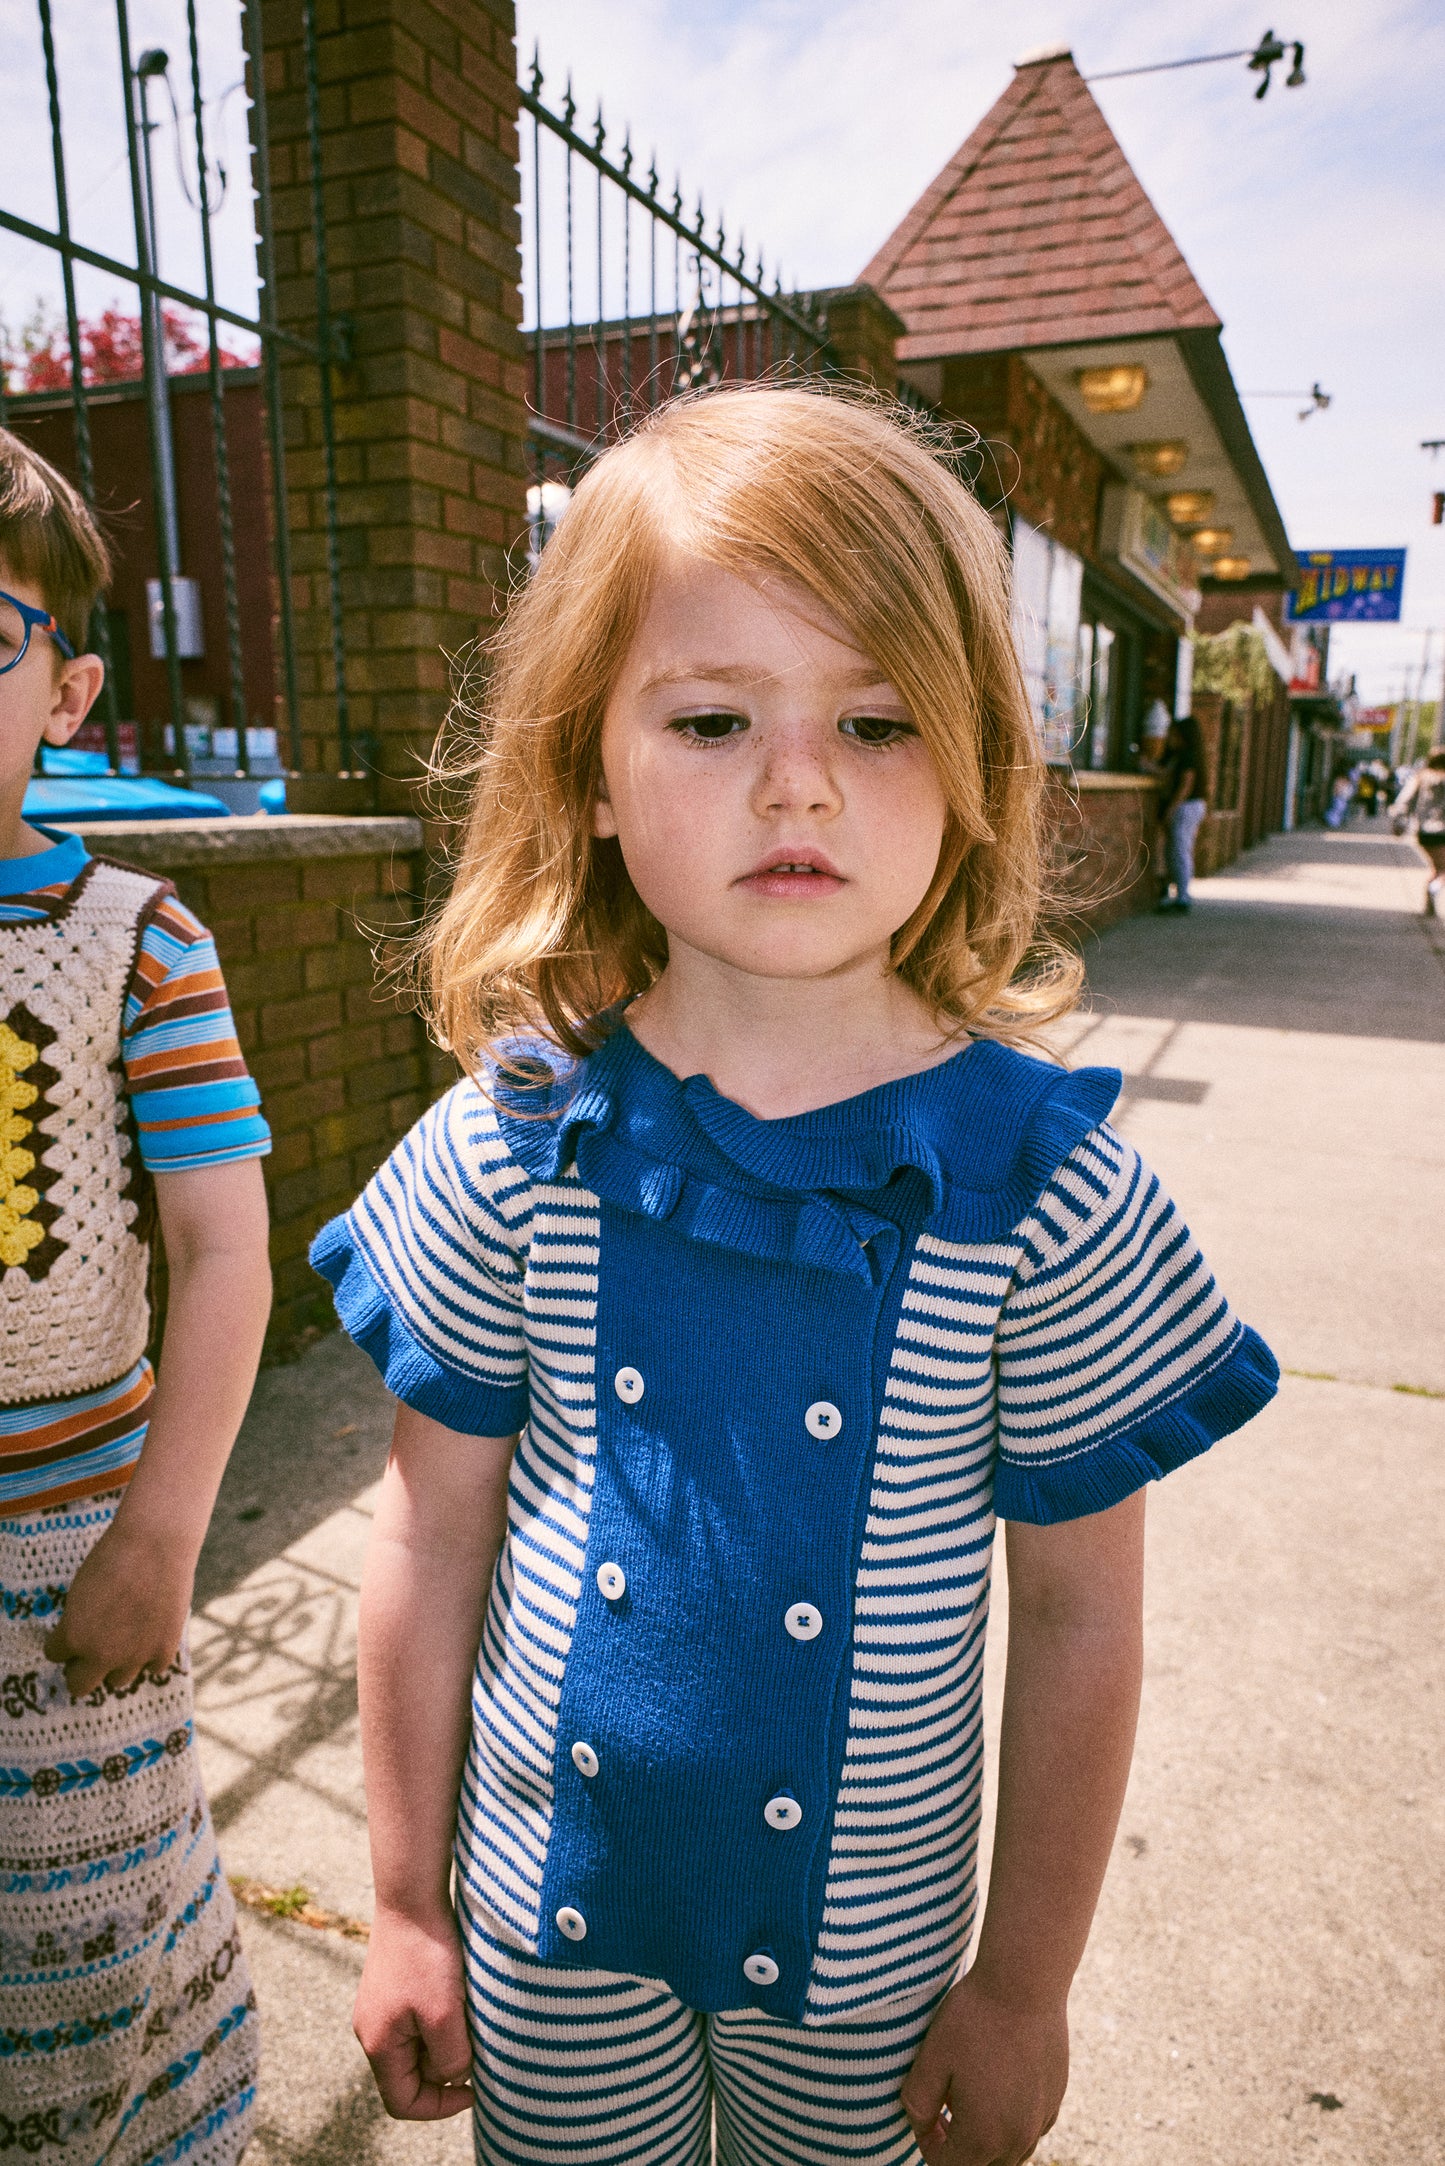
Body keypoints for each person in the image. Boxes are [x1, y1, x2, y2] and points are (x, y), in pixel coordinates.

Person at [313, 388, 1278, 2166]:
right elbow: (430, 1536)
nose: (799, 779)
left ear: (972, 766)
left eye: (876, 719)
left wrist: (1026, 1984)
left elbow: (1080, 1618)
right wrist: (400, 1898)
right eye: (710, 717)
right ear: (588, 774)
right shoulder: (512, 1142)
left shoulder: (1043, 1192)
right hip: (540, 1933)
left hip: (873, 1981)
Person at [0, 430, 271, 2161]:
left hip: (67, 1549)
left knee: (85, 1958)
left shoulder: (134, 944)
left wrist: (160, 1534)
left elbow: (221, 1248)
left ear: (69, 689)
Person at [1154, 713, 1209, 912]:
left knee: (1179, 849)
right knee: (1176, 849)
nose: (1170, 738)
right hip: (1190, 805)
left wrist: (1172, 808)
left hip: (1187, 806)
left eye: (1174, 734)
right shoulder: (1179, 755)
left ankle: (1183, 896)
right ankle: (1179, 893)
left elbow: (1186, 785)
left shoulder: (1188, 756)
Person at [1392, 746, 1445, 914]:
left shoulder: (1420, 777)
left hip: (1423, 831)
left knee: (1437, 867)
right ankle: (1433, 889)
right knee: (1442, 869)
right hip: (1442, 831)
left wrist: (1399, 821)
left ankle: (1431, 896)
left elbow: (1404, 800)